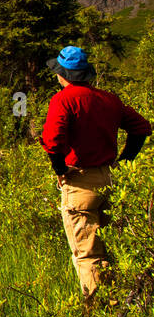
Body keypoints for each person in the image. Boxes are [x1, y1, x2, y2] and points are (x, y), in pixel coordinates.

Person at [40, 46, 151, 300]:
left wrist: (59, 170)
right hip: (110, 181)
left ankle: (98, 316)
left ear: (62, 74)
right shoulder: (108, 98)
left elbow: (53, 143)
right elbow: (141, 129)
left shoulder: (63, 99)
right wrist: (124, 163)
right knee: (110, 250)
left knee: (88, 255)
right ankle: (118, 306)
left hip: (80, 184)